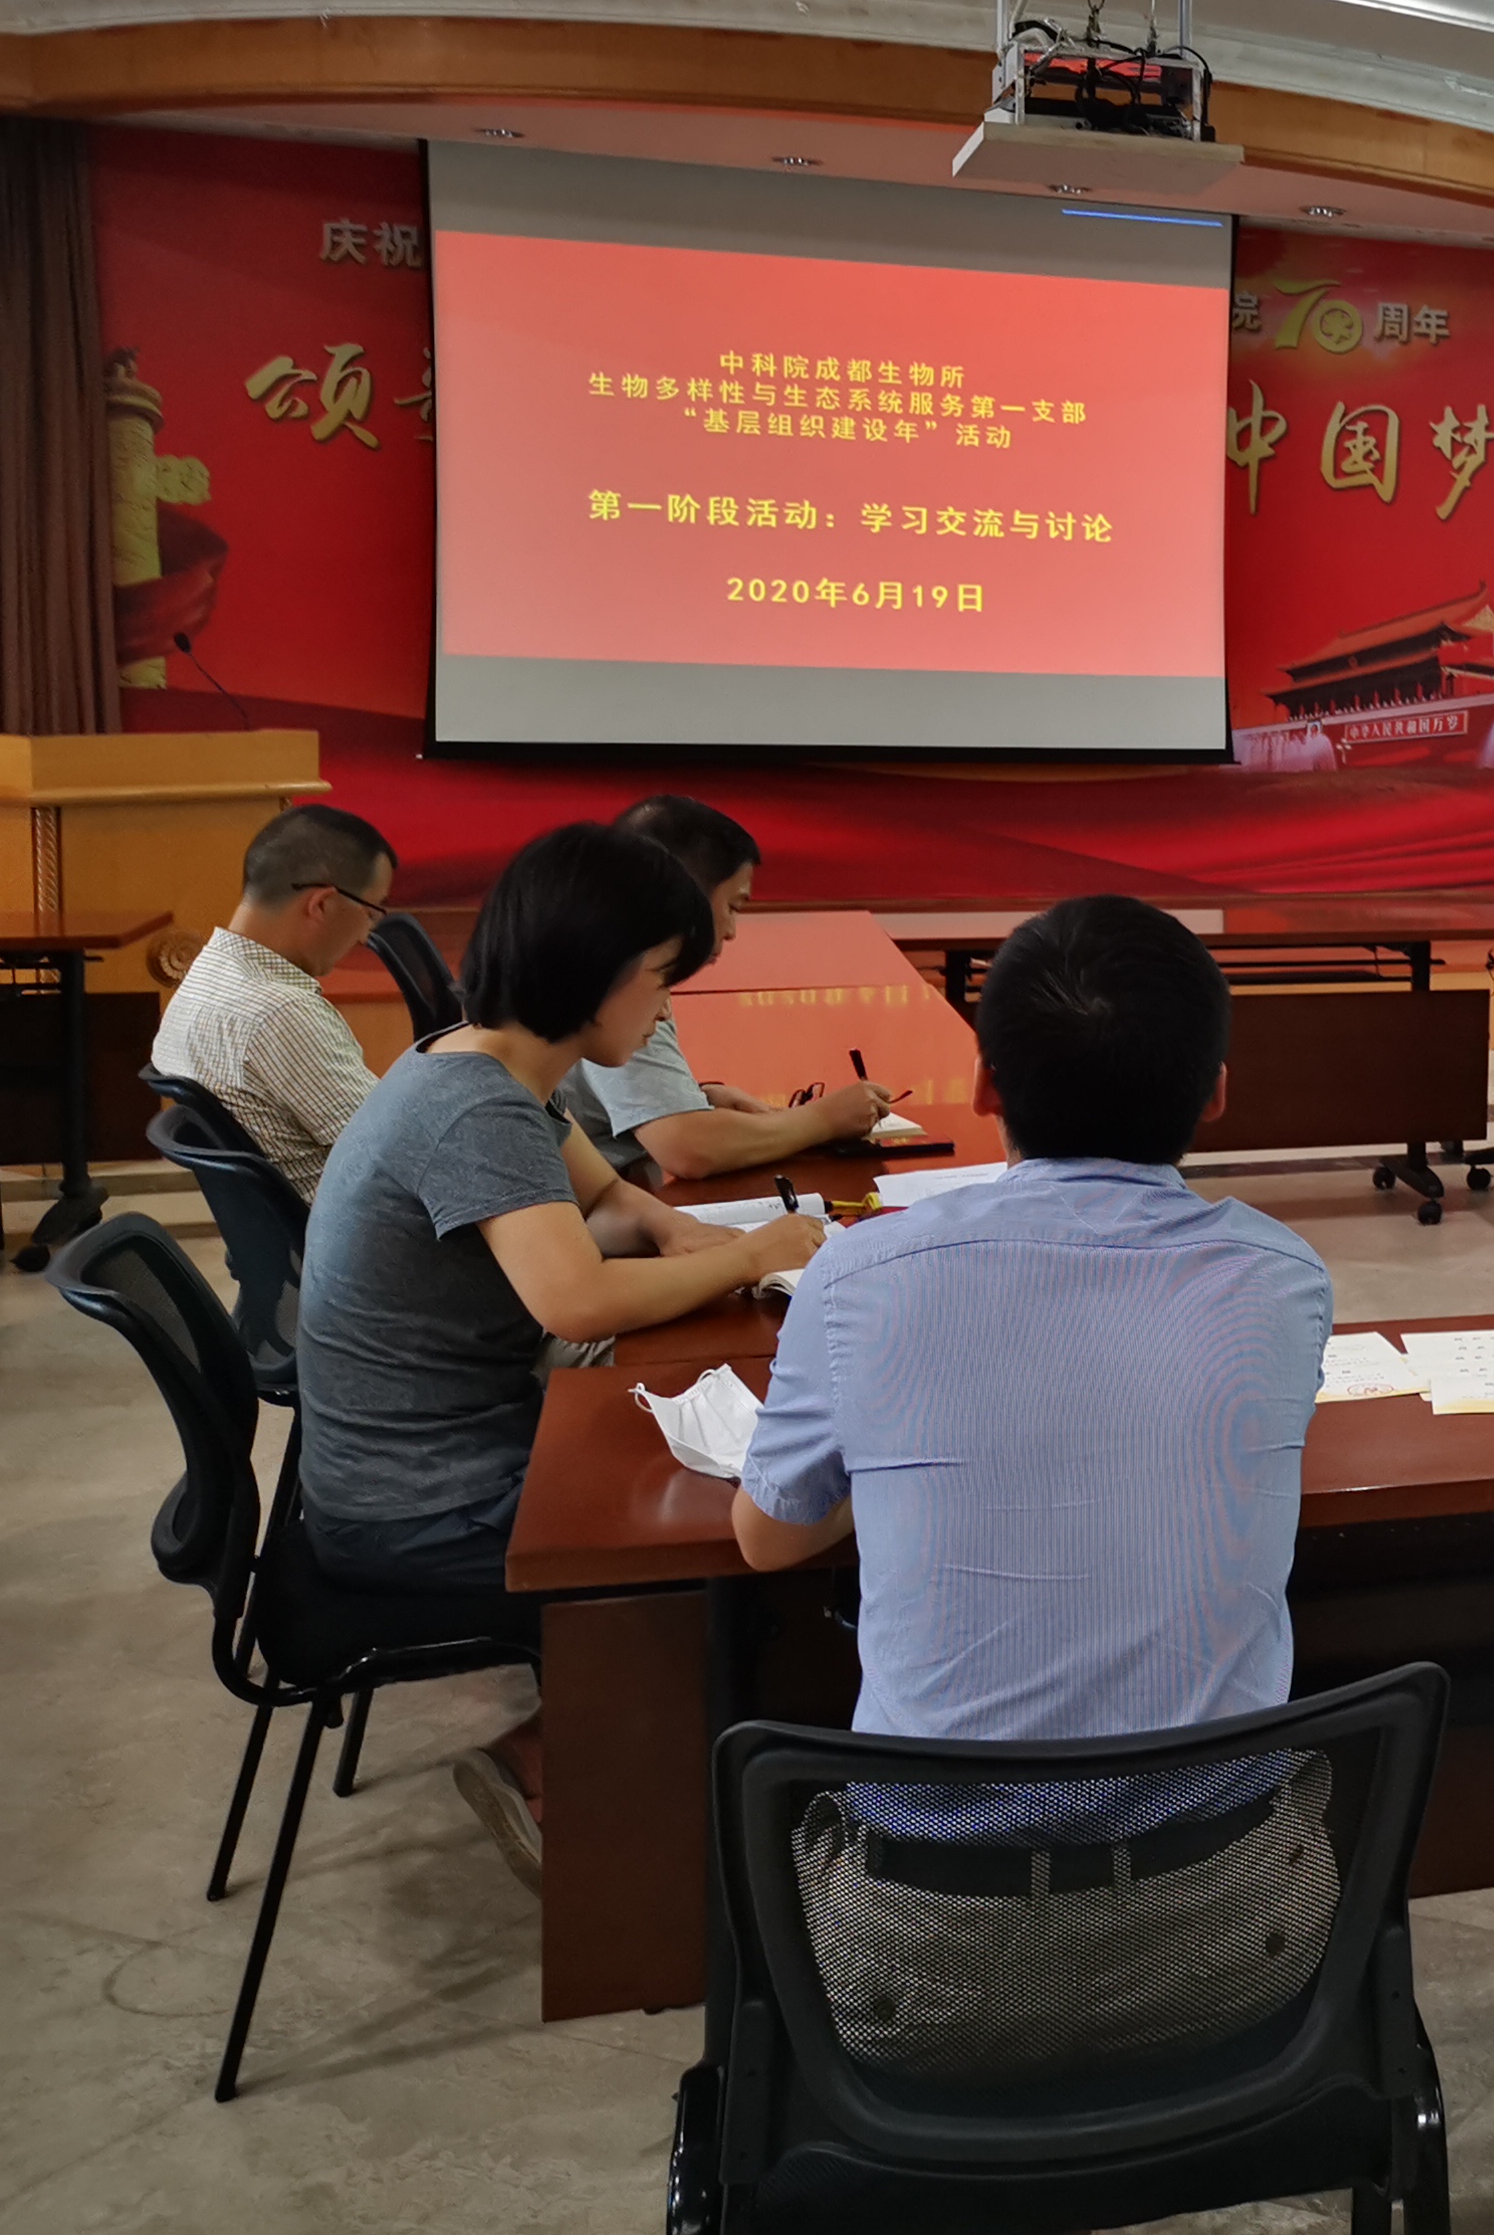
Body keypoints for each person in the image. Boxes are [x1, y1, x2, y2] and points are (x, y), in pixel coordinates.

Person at [732, 896, 1337, 2074]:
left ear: (984, 1087)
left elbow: (767, 1540)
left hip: (923, 1966)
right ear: (1217, 1092)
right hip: (1236, 1945)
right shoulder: (1283, 1276)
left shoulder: (859, 1276)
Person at [295, 822, 826, 1887]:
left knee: (704, 1467)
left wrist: (681, 1234)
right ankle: (558, 1776)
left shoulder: (478, 1057)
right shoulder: (475, 1108)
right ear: (595, 971)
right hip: (420, 1502)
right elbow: (575, 1298)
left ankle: (622, 1761)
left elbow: (611, 1200)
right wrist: (753, 1253)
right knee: (727, 1544)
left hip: (432, 1452)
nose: (665, 1010)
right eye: (660, 981)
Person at [558, 794, 900, 1182]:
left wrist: (697, 1096)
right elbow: (687, 1148)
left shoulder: (602, 954)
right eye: (733, 907)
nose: (733, 931)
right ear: (685, 896)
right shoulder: (621, 981)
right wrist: (823, 1119)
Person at [148, 802, 399, 1199]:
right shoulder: (279, 1013)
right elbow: (399, 1153)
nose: (365, 937)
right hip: (366, 1230)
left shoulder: (201, 978)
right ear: (322, 904)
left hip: (289, 1229)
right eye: (371, 913)